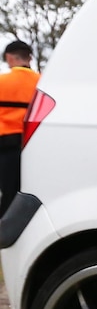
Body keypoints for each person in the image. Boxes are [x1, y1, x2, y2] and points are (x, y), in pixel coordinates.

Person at [0, 40, 39, 216]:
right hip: (34, 145)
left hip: (5, 146)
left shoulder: (2, 82)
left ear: (9, 58)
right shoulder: (42, 82)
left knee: (8, 192)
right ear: (29, 58)